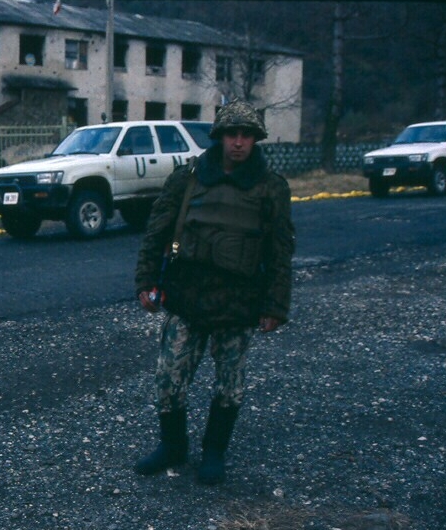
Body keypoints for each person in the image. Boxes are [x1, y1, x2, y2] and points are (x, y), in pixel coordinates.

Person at [133, 100, 295, 484]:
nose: (238, 143)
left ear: (256, 139)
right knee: (169, 379)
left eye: (247, 135)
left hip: (238, 302)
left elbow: (279, 250)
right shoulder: (188, 177)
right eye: (232, 135)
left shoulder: (271, 188)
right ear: (219, 137)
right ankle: (172, 447)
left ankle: (214, 453)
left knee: (229, 384)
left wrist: (275, 304)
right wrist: (145, 282)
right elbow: (157, 231)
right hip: (187, 296)